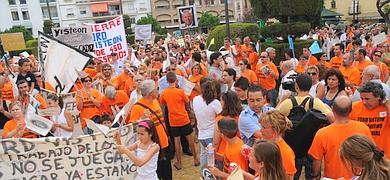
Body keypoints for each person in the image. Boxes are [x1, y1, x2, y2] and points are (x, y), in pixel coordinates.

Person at [276, 74, 333, 180]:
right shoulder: (315, 102)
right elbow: (332, 118)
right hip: (311, 147)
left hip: (293, 148)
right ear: (310, 86)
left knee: (292, 176)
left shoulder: (288, 102)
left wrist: (281, 101)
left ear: (296, 86)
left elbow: (273, 117)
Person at [308, 95, 372, 179]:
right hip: (359, 176)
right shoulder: (363, 128)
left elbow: (317, 160)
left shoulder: (322, 133)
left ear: (332, 109)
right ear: (350, 110)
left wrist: (315, 176)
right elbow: (370, 153)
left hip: (333, 177)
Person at [128, 80, 171, 180]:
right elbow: (132, 128)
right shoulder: (137, 107)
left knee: (167, 173)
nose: (158, 90)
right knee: (157, 173)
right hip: (152, 146)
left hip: (164, 143)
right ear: (151, 92)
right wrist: (141, 119)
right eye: (156, 88)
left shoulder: (155, 101)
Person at [159, 72, 199, 169]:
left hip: (173, 120)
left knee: (176, 141)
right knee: (190, 139)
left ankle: (179, 162)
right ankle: (196, 159)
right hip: (184, 118)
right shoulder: (180, 92)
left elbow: (162, 103)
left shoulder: (164, 93)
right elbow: (186, 102)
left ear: (167, 81)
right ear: (176, 80)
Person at [349, 82, 390, 158]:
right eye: (362, 99)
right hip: (361, 155)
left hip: (383, 157)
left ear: (378, 97)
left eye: (367, 99)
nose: (364, 102)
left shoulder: (386, 108)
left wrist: (388, 104)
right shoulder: (354, 107)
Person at [193, 78, 222, 173]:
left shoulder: (195, 99)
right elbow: (221, 115)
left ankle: (204, 173)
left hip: (201, 134)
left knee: (204, 155)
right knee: (214, 161)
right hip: (212, 135)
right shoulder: (215, 103)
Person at [259, 110, 297, 178]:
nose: (260, 130)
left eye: (264, 127)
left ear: (276, 130)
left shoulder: (285, 152)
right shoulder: (265, 144)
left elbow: (289, 177)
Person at [213, 90, 242, 170]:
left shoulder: (220, 120)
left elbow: (216, 142)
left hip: (223, 155)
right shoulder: (241, 117)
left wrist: (213, 155)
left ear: (225, 103)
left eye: (221, 100)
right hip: (238, 153)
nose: (220, 102)